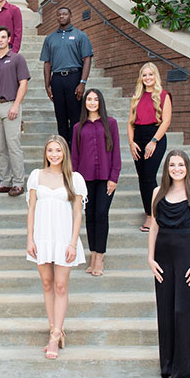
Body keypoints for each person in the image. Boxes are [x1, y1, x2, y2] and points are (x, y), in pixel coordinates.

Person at [147, 150, 190, 378]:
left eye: (180, 164)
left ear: (187, 167)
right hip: (163, 257)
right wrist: (150, 258)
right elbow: (154, 227)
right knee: (165, 312)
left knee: (183, 311)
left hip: (188, 256)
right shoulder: (158, 192)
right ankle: (169, 366)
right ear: (167, 168)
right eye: (172, 165)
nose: (176, 169)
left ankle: (185, 372)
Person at [25, 135, 86, 359]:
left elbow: (78, 213)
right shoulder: (36, 176)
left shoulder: (74, 178)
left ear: (64, 153)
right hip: (42, 237)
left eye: (58, 151)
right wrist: (30, 239)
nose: (54, 154)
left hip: (63, 238)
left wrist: (72, 242)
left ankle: (55, 336)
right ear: (45, 153)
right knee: (47, 283)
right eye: (50, 150)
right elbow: (31, 209)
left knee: (61, 286)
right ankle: (54, 328)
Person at [71, 89, 121, 277]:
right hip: (85, 180)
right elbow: (75, 157)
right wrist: (75, 181)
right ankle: (93, 254)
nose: (92, 102)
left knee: (101, 214)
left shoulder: (111, 124)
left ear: (100, 102)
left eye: (95, 99)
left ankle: (100, 256)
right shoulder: (78, 127)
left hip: (106, 178)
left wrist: (114, 177)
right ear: (85, 103)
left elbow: (116, 152)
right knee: (90, 216)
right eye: (89, 99)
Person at [0, 25, 30, 197]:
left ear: (9, 39)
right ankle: (4, 181)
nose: (0, 40)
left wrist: (16, 105)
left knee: (13, 145)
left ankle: (18, 183)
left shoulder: (17, 59)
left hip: (11, 105)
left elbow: (23, 83)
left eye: (3, 37)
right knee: (0, 147)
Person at [127, 62, 173, 232]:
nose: (147, 78)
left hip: (155, 137)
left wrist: (153, 141)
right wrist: (131, 143)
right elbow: (130, 123)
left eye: (150, 74)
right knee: (142, 177)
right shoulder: (136, 97)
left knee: (149, 176)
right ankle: (150, 211)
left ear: (156, 76)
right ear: (141, 78)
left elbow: (166, 121)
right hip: (138, 137)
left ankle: (152, 215)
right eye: (144, 75)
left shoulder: (163, 95)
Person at [41, 6, 93, 144]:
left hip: (74, 77)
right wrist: (47, 85)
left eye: (64, 14)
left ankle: (76, 149)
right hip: (57, 79)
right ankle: (64, 150)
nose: (62, 16)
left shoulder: (80, 35)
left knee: (75, 117)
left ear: (70, 16)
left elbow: (87, 58)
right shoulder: (50, 38)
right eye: (59, 15)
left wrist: (82, 82)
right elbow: (47, 63)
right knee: (61, 116)